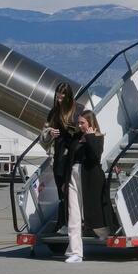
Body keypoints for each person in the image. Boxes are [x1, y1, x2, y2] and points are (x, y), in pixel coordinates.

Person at [44, 82, 83, 234]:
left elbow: (84, 128)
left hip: (73, 155)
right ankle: (62, 221)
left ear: (68, 97)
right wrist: (49, 133)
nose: (59, 101)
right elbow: (45, 131)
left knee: (70, 189)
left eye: (61, 98)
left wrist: (74, 130)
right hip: (59, 155)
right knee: (62, 189)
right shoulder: (54, 112)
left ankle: (71, 221)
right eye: (57, 98)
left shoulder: (78, 110)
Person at [72, 111, 115, 244]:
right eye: (79, 123)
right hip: (78, 175)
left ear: (90, 122)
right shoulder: (78, 136)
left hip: (93, 176)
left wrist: (90, 137)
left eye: (82, 123)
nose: (80, 125)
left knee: (94, 207)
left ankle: (102, 231)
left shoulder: (97, 136)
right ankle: (84, 228)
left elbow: (96, 155)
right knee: (78, 205)